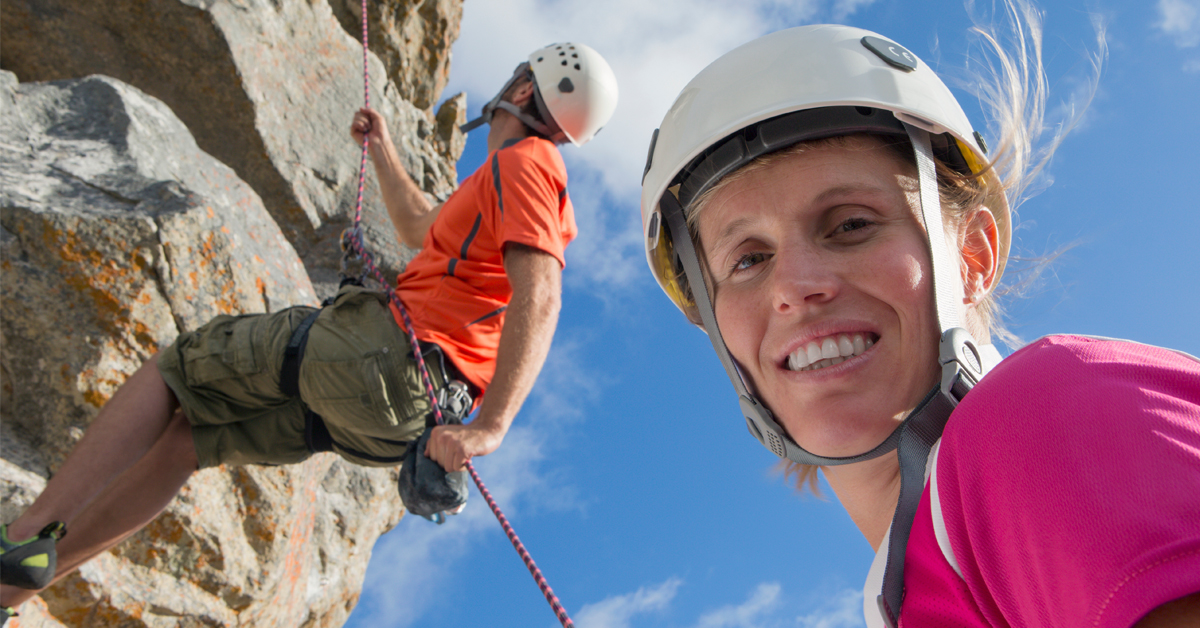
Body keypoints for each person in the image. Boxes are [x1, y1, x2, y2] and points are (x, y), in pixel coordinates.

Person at [0, 42, 618, 622]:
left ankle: (29, 531)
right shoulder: (495, 182)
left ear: (524, 88)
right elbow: (414, 226)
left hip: (383, 357)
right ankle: (12, 589)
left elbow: (543, 291)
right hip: (396, 422)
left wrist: (493, 427)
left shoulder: (528, 163)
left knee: (176, 371)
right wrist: (381, 147)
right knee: (187, 442)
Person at [639, 12, 1199, 628]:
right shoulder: (912, 587)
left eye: (851, 224)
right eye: (747, 260)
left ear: (971, 256)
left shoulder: (1041, 416)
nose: (795, 288)